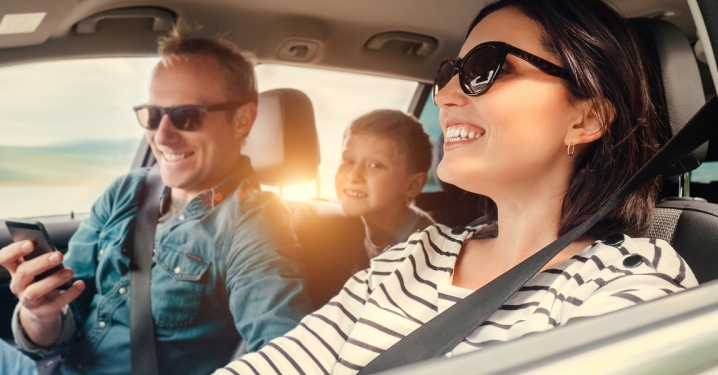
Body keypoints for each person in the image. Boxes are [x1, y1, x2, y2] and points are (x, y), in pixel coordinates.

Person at [215, 0, 698, 373]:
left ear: (587, 117)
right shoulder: (411, 258)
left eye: (485, 70)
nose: (445, 98)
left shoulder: (626, 286)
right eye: (449, 74)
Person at [0, 31, 314, 375]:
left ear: (243, 119)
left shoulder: (254, 223)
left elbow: (286, 357)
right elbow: (65, 321)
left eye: (187, 115)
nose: (162, 136)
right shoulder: (127, 191)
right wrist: (38, 312)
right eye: (154, 115)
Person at [335, 110, 435, 259]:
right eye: (348, 161)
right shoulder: (352, 230)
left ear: (412, 185)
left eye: (375, 165)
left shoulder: (426, 248)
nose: (353, 176)